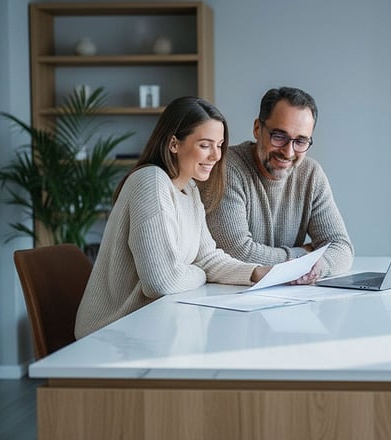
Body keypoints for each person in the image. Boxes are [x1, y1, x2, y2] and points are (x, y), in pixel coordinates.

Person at [74, 96, 272, 339]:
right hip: (111, 334)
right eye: (205, 145)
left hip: (150, 327)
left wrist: (256, 272)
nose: (216, 156)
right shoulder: (150, 181)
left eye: (219, 145)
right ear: (174, 144)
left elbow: (207, 257)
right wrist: (198, 272)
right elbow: (161, 282)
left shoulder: (189, 190)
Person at [201, 87, 354, 284]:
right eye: (279, 136)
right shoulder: (227, 168)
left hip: (290, 298)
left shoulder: (311, 174)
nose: (288, 152)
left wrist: (318, 266)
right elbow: (237, 252)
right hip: (227, 296)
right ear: (257, 129)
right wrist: (304, 254)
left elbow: (342, 247)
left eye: (300, 141)